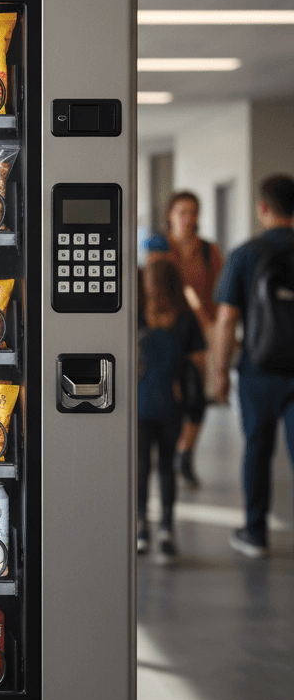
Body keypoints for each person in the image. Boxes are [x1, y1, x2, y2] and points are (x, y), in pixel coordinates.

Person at [212, 174, 294, 558]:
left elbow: (227, 320)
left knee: (257, 450)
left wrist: (219, 371)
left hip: (258, 371)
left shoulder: (246, 254)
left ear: (263, 208)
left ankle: (255, 532)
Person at [148, 191, 224, 489]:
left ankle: (185, 452)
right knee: (167, 392)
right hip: (166, 328)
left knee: (196, 395)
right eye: (182, 212)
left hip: (200, 330)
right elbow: (153, 287)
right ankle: (166, 452)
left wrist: (215, 326)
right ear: (170, 215)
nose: (188, 218)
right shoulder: (159, 248)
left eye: (193, 211)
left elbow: (217, 291)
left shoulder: (208, 250)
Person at [137, 259, 206, 561]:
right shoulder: (185, 320)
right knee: (165, 467)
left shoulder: (136, 316)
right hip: (170, 405)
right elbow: (198, 366)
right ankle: (164, 528)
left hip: (141, 405)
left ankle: (142, 527)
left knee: (142, 467)